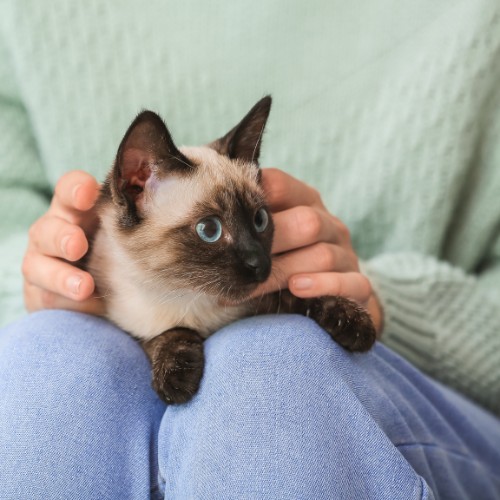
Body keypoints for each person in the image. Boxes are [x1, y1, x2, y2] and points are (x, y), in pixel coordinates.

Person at [1, 1, 499, 498]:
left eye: (258, 221)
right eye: (209, 230)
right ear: (137, 187)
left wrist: (386, 301)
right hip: (97, 317)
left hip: (429, 395)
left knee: (265, 373)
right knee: (49, 364)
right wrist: (42, 278)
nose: (257, 260)